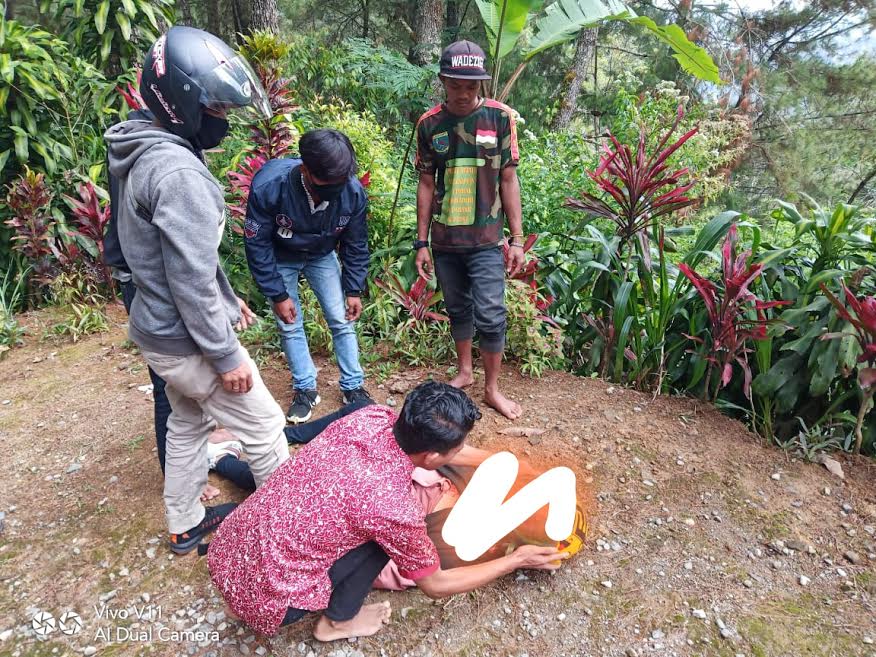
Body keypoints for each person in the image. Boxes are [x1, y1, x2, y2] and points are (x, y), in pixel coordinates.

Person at [105, 26, 289, 555]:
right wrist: (227, 354)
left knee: (188, 422)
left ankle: (185, 524)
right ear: (182, 100)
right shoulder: (179, 172)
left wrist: (229, 302)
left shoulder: (141, 143)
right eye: (217, 108)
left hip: (158, 329)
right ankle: (287, 537)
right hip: (184, 338)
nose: (223, 120)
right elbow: (187, 278)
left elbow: (176, 257)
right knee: (265, 425)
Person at [207, 382, 568, 640]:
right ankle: (337, 623)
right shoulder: (393, 509)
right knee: (383, 540)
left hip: (228, 553)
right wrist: (515, 560)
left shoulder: (370, 417)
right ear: (433, 458)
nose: (461, 453)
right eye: (456, 449)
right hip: (273, 600)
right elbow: (436, 585)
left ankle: (223, 466)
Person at [413, 40, 527, 420]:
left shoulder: (499, 118)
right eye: (455, 84)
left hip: (486, 240)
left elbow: (509, 180)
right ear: (443, 80)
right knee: (458, 308)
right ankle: (465, 372)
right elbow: (426, 184)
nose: (463, 94)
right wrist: (421, 242)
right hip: (445, 242)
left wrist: (518, 240)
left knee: (492, 313)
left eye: (471, 86)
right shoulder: (429, 124)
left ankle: (492, 389)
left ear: (481, 85)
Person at [244, 129, 372, 424]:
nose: (334, 189)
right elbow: (257, 243)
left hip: (322, 254)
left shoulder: (351, 193)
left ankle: (353, 388)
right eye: (325, 183)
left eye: (339, 183)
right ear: (305, 169)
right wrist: (277, 293)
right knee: (290, 323)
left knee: (342, 318)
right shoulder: (270, 187)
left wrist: (353, 288)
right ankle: (305, 389)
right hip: (281, 256)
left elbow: (355, 243)